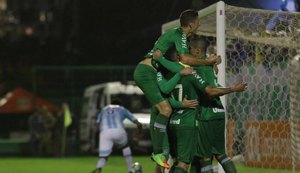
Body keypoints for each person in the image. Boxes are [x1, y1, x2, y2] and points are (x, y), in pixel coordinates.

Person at [133, 9, 220, 169]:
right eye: (198, 21)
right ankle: (157, 153)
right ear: (191, 24)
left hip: (150, 72)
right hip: (146, 72)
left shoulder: (181, 39)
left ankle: (159, 154)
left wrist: (210, 63)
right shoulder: (179, 34)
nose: (200, 24)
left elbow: (185, 62)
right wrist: (208, 63)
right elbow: (185, 60)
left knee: (161, 109)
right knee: (165, 109)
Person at [156, 42, 247, 173]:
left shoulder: (165, 74)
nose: (186, 52)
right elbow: (209, 90)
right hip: (201, 116)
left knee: (186, 159)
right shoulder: (192, 72)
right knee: (209, 156)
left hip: (177, 119)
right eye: (184, 52)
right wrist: (232, 87)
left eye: (189, 49)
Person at [188, 35, 240, 173]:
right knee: (221, 154)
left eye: (190, 49)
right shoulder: (209, 64)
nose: (187, 52)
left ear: (198, 51)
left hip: (206, 114)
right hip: (218, 112)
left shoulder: (198, 68)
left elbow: (210, 91)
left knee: (204, 157)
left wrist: (233, 88)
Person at [91, 99, 143, 173]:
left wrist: (96, 137)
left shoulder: (104, 109)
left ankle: (99, 169)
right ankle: (130, 170)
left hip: (105, 132)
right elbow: (138, 124)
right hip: (119, 130)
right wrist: (139, 134)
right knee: (125, 147)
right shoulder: (122, 109)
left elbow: (96, 125)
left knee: (103, 155)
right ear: (120, 105)